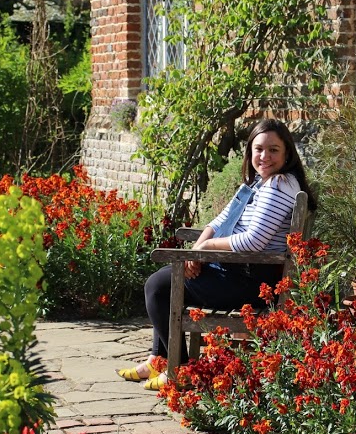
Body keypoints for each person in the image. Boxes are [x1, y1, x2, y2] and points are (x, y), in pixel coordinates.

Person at [117, 118, 316, 390]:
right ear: (249, 153)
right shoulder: (259, 183)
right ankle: (159, 358)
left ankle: (181, 368)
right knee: (165, 278)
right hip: (236, 269)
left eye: (273, 150)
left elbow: (254, 241)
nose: (264, 156)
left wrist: (205, 251)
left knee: (158, 287)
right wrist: (195, 253)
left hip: (253, 281)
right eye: (258, 149)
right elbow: (218, 222)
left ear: (287, 154)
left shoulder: (279, 185)